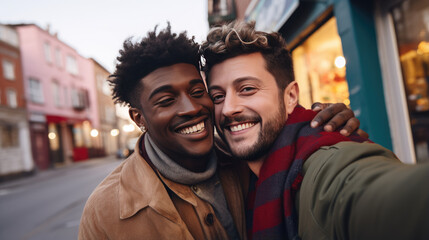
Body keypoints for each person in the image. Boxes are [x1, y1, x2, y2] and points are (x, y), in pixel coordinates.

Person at [78, 24, 362, 240]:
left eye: (198, 92)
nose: (191, 108)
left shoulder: (245, 154)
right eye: (166, 101)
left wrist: (322, 117)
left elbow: (305, 146)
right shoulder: (106, 211)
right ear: (139, 118)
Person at [201, 21, 429, 240]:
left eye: (247, 89)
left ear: (290, 97)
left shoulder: (325, 164)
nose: (229, 109)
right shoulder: (234, 175)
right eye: (218, 96)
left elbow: (368, 193)